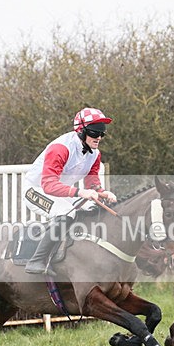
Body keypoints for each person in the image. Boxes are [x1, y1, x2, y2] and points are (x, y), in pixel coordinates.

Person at [21, 107, 118, 275]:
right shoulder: (60, 148)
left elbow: (92, 183)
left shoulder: (95, 154)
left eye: (102, 132)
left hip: (61, 192)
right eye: (95, 132)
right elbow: (48, 185)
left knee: (93, 208)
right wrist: (80, 192)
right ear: (81, 130)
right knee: (66, 213)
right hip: (36, 190)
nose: (99, 137)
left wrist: (103, 192)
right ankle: (37, 260)